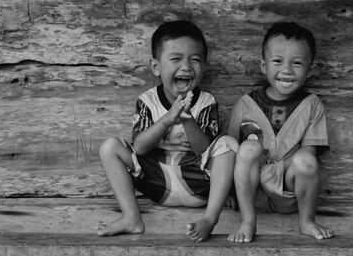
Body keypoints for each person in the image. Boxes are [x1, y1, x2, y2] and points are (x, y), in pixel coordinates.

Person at [97, 19, 238, 242]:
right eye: (175, 59)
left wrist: (187, 119)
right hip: (157, 183)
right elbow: (141, 148)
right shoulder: (148, 100)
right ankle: (132, 218)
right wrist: (167, 119)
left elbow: (205, 151)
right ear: (156, 67)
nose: (186, 66)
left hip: (199, 185)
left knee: (228, 145)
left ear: (204, 66)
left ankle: (210, 219)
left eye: (195, 60)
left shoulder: (206, 102)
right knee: (110, 147)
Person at [226, 22, 335, 243]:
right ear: (264, 66)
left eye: (297, 63)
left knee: (306, 160)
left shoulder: (311, 105)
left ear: (309, 70)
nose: (286, 70)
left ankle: (306, 221)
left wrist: (274, 170)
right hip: (251, 192)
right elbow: (229, 151)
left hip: (289, 192)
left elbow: (309, 154)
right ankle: (248, 221)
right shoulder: (246, 104)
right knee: (247, 148)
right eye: (277, 61)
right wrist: (229, 193)